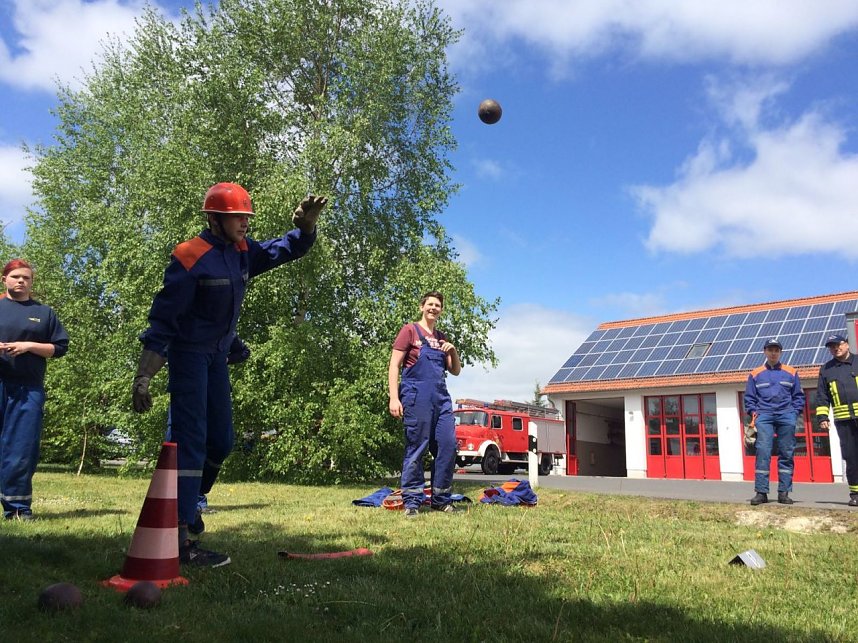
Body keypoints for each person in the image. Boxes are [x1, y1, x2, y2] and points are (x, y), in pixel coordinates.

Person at [132, 182, 326, 567]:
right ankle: (182, 538)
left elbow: (282, 251)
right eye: (238, 217)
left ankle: (188, 501)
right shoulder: (189, 256)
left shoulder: (241, 252)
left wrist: (305, 230)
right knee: (190, 441)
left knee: (221, 441)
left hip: (217, 358)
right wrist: (144, 376)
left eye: (247, 218)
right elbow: (163, 320)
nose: (245, 225)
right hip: (187, 356)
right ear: (214, 219)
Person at [0, 259, 69, 520]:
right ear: (4, 279)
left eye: (26, 278)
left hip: (28, 390)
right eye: (15, 276)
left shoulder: (44, 313)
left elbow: (60, 348)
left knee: (21, 449)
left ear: (31, 282)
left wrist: (28, 346)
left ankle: (17, 509)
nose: (21, 281)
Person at [388, 291, 461, 518]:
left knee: (448, 446)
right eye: (430, 304)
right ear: (422, 307)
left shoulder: (441, 338)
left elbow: (455, 371)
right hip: (416, 395)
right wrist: (394, 397)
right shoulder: (409, 331)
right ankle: (412, 501)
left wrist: (453, 351)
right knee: (417, 447)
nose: (433, 308)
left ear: (441, 310)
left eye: (437, 305)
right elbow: (394, 366)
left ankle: (441, 499)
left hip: (441, 398)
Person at [743, 338, 805, 506]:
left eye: (776, 350)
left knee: (786, 452)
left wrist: (794, 414)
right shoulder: (755, 374)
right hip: (764, 416)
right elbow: (749, 398)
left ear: (780, 352)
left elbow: (798, 396)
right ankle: (761, 492)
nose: (773, 352)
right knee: (763, 452)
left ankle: (784, 492)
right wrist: (755, 413)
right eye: (770, 349)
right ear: (765, 351)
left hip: (786, 415)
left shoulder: (791, 372)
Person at [814, 333, 858, 507]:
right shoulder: (826, 369)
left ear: (847, 344)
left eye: (838, 344)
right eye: (831, 346)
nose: (836, 348)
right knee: (851, 458)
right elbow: (822, 395)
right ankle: (855, 494)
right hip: (844, 422)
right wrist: (822, 417)